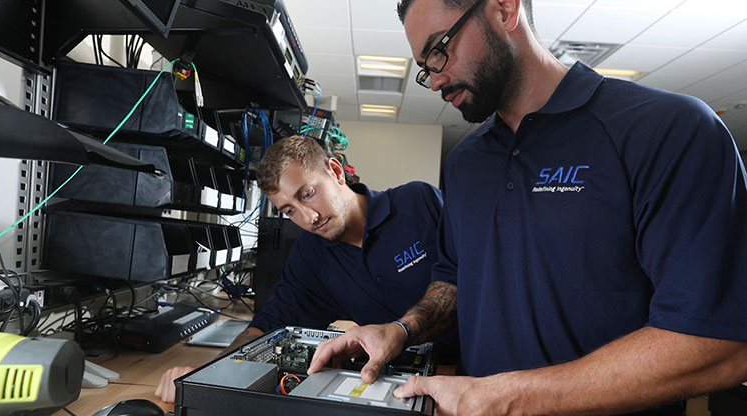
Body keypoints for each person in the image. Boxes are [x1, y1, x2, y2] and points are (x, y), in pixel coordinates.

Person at [307, 0, 747, 414]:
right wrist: (401, 330)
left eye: (439, 50)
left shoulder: (668, 130)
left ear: (504, 8)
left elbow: (719, 344)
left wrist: (506, 399)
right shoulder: (466, 162)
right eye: (425, 69)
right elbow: (454, 277)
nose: (436, 79)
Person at [155, 135, 454, 403]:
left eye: (307, 194)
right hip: (412, 386)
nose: (308, 218)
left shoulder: (418, 202)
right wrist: (210, 373)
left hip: (485, 368)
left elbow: (465, 278)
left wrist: (402, 331)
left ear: (336, 172)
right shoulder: (311, 254)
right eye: (289, 210)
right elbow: (269, 324)